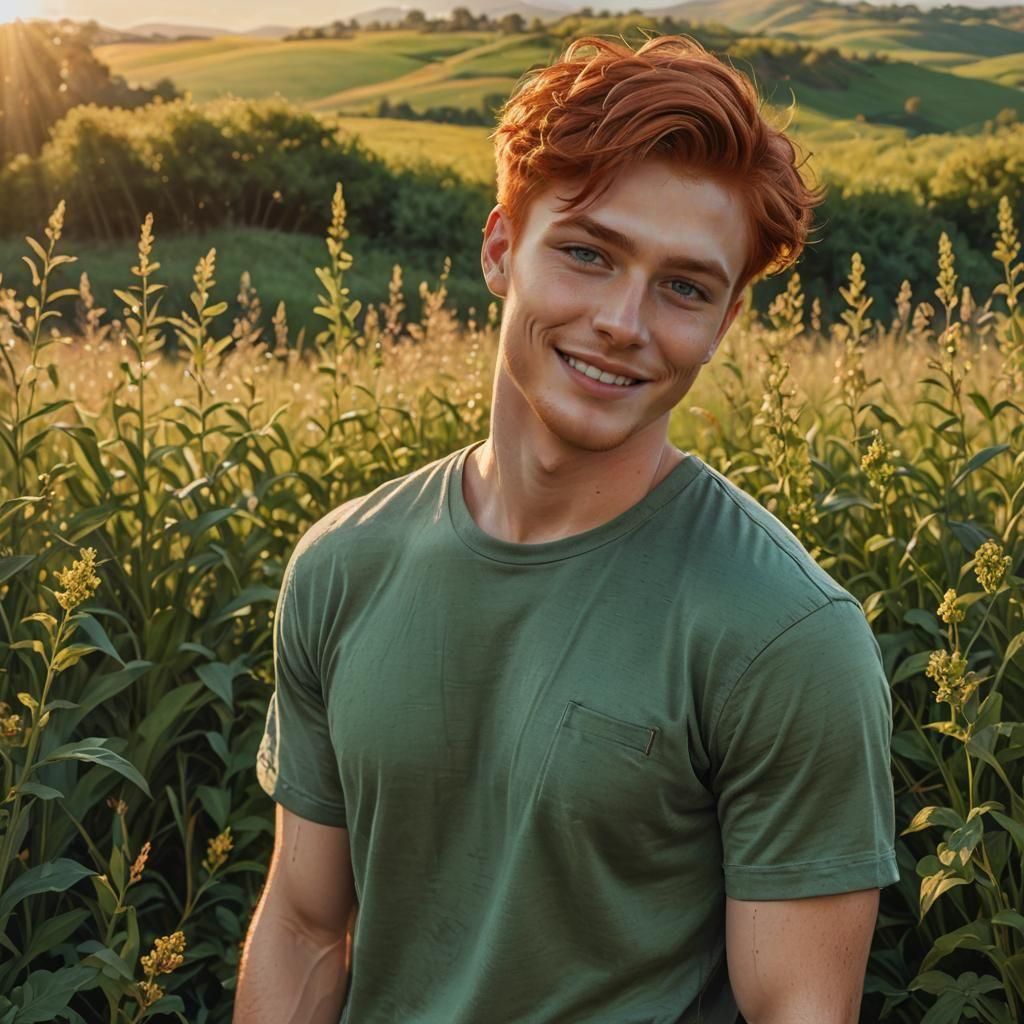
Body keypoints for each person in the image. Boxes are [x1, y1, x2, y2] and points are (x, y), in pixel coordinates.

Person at [234, 33, 900, 1024]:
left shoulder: (783, 636)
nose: (623, 321)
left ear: (722, 323)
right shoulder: (343, 565)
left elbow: (799, 1012)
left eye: (683, 286)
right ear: (500, 248)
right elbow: (302, 924)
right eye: (587, 254)